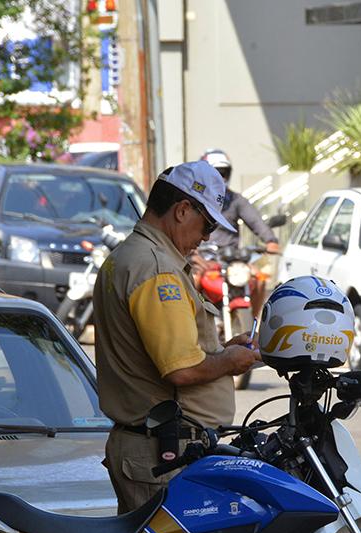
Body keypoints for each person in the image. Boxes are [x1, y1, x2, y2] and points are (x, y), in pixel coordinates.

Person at [93, 161, 261, 514]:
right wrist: (229, 362)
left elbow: (167, 351)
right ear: (183, 210)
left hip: (156, 449)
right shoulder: (156, 269)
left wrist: (220, 350)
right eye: (208, 223)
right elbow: (180, 371)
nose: (207, 236)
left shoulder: (133, 257)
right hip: (163, 453)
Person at [199, 149, 281, 319]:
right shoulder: (197, 198)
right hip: (204, 257)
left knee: (259, 278)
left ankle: (255, 321)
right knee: (192, 279)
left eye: (224, 172)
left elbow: (255, 221)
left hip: (231, 259)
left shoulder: (235, 200)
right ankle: (190, 323)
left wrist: (270, 240)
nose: (220, 177)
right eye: (216, 172)